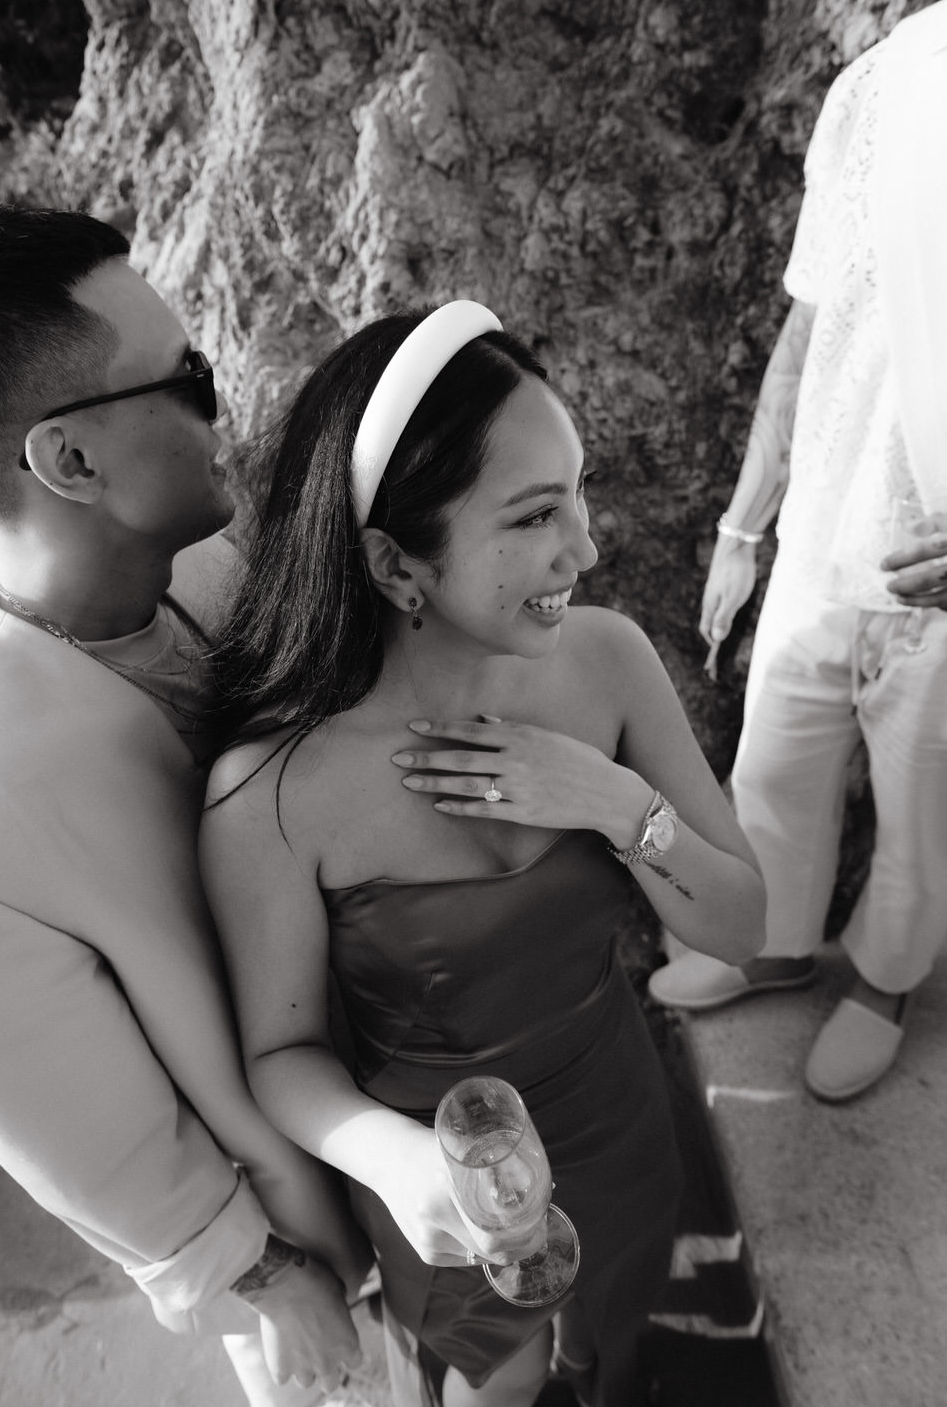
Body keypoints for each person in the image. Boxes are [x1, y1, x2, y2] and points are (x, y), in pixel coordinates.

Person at [199, 300, 766, 1407]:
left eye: (580, 492)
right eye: (535, 514)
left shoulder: (606, 663)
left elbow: (742, 924)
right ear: (395, 563)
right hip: (443, 1179)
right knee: (492, 1385)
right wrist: (395, 1161)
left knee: (618, 1331)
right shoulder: (273, 792)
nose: (586, 546)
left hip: (619, 1119)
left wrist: (610, 798)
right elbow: (281, 1052)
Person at [0, 203, 371, 1407]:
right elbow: (50, 1102)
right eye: (188, 376)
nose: (224, 406)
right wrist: (251, 1271)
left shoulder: (208, 561)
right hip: (294, 1228)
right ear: (70, 461)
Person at [648, 0, 947, 1103]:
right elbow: (809, 321)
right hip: (825, 526)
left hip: (943, 573)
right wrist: (743, 523)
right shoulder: (875, 83)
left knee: (927, 814)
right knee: (771, 768)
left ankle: (882, 984)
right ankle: (772, 946)